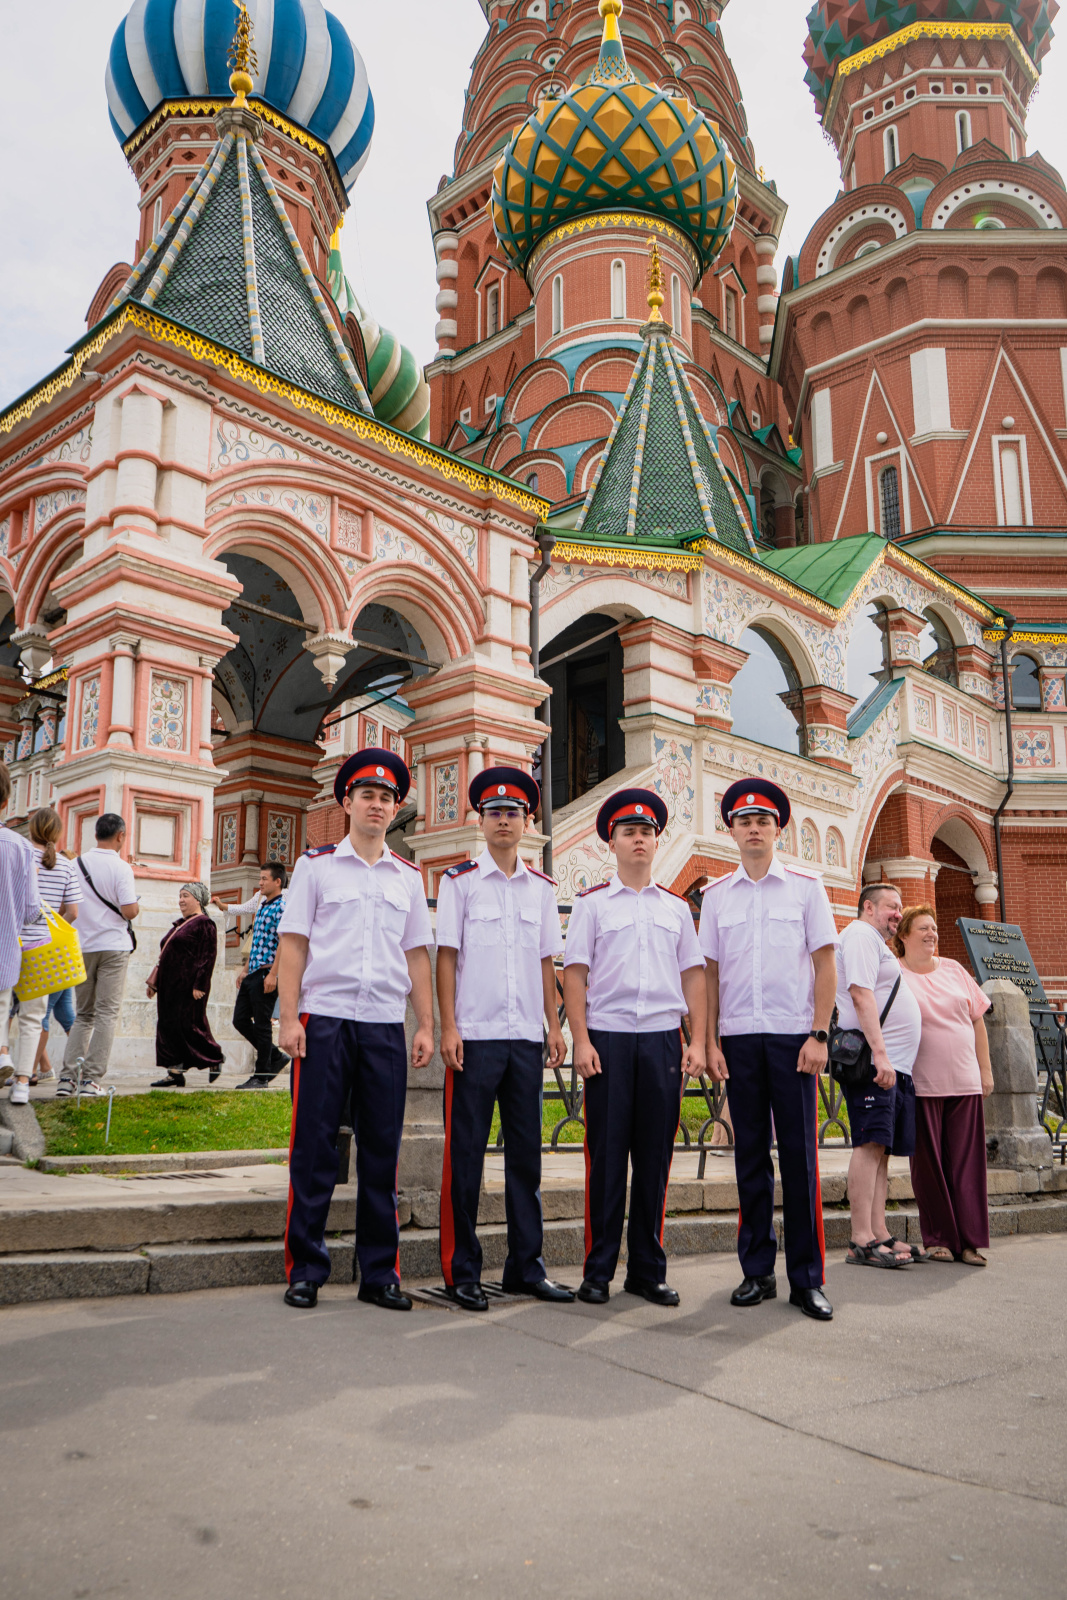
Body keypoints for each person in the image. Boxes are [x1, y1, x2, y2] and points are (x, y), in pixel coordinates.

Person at [277, 748, 435, 1312]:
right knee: (314, 1145)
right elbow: (294, 944)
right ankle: (306, 1269)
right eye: (367, 795)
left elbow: (416, 955)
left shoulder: (407, 877)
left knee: (382, 1151)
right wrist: (288, 1017)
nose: (377, 805)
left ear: (394, 809)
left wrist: (426, 1025)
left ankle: (380, 1273)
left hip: (384, 1025)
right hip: (324, 1019)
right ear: (347, 802)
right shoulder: (316, 866)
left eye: (387, 798)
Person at [435, 766, 573, 1310]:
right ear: (482, 820)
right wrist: (448, 1026)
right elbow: (447, 957)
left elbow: (545, 962)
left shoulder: (541, 889)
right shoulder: (460, 883)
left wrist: (554, 1024)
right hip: (474, 1037)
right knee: (465, 1158)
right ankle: (461, 1271)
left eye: (513, 813)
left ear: (527, 822)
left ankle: (525, 1267)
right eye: (494, 812)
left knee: (526, 1159)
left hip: (524, 1040)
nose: (503, 821)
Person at [563, 788, 706, 1307]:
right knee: (606, 1158)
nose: (639, 839)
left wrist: (697, 1040)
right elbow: (574, 974)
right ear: (612, 842)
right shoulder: (592, 905)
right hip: (609, 1040)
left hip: (663, 1041)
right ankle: (598, 1270)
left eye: (647, 832)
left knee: (654, 1159)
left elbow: (693, 976)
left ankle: (647, 1270)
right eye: (629, 832)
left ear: (656, 840)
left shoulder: (675, 908)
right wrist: (581, 1040)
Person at [701, 780, 838, 1322]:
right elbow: (710, 974)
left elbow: (825, 964)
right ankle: (756, 1271)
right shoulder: (717, 896)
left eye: (763, 821)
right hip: (739, 1039)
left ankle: (807, 1279)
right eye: (744, 822)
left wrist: (820, 1034)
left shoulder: (806, 888)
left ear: (778, 829)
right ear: (731, 831)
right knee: (750, 1159)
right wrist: (710, 1041)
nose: (754, 829)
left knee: (801, 1160)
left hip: (793, 1039)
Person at [895, 905, 993, 1266]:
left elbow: (977, 1020)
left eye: (934, 928)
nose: (931, 934)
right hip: (921, 1083)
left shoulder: (954, 969)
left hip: (964, 1080)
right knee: (929, 1166)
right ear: (904, 935)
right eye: (923, 928)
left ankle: (969, 1242)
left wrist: (985, 1071)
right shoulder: (895, 974)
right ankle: (939, 1238)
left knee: (968, 1164)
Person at [835, 883, 924, 1268]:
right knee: (869, 1145)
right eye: (891, 906)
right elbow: (860, 994)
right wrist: (882, 1055)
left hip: (892, 1065)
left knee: (881, 1151)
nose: (898, 913)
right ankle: (860, 1239)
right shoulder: (859, 935)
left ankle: (879, 1232)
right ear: (868, 907)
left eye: (901, 907)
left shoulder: (874, 942)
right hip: (875, 1063)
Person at [59, 814, 139, 1099]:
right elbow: (129, 911)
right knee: (106, 1013)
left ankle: (67, 1078)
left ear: (95, 835)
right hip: (113, 946)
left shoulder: (74, 865)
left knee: (83, 1014)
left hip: (82, 945)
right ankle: (91, 1079)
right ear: (120, 836)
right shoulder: (121, 867)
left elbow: (64, 907)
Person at [147, 883, 224, 1087]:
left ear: (197, 900)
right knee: (168, 1027)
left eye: (185, 896)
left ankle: (214, 1057)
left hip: (189, 988)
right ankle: (174, 1072)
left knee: (190, 1026)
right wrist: (155, 984)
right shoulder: (181, 924)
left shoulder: (204, 923)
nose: (181, 900)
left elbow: (208, 957)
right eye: (180, 896)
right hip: (170, 988)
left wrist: (200, 984)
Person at [26, 811, 81, 1086]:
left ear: (32, 830)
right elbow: (73, 912)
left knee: (34, 1013)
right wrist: (55, 929)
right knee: (59, 1011)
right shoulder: (66, 865)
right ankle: (47, 1067)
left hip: (25, 943)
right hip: (56, 949)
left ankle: (28, 1070)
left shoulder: (24, 857)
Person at [0, 763, 44, 1102]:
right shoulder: (20, 847)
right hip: (7, 951)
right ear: (6, 802)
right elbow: (31, 910)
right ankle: (19, 1080)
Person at [231, 863, 288, 1090]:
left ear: (278, 882)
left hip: (267, 972)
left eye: (265, 879)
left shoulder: (282, 907)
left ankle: (261, 1076)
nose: (260, 883)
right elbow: (256, 940)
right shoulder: (263, 904)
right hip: (253, 972)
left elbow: (284, 942)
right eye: (260, 878)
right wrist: (245, 969)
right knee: (240, 1020)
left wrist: (274, 974)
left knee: (263, 1024)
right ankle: (275, 1056)